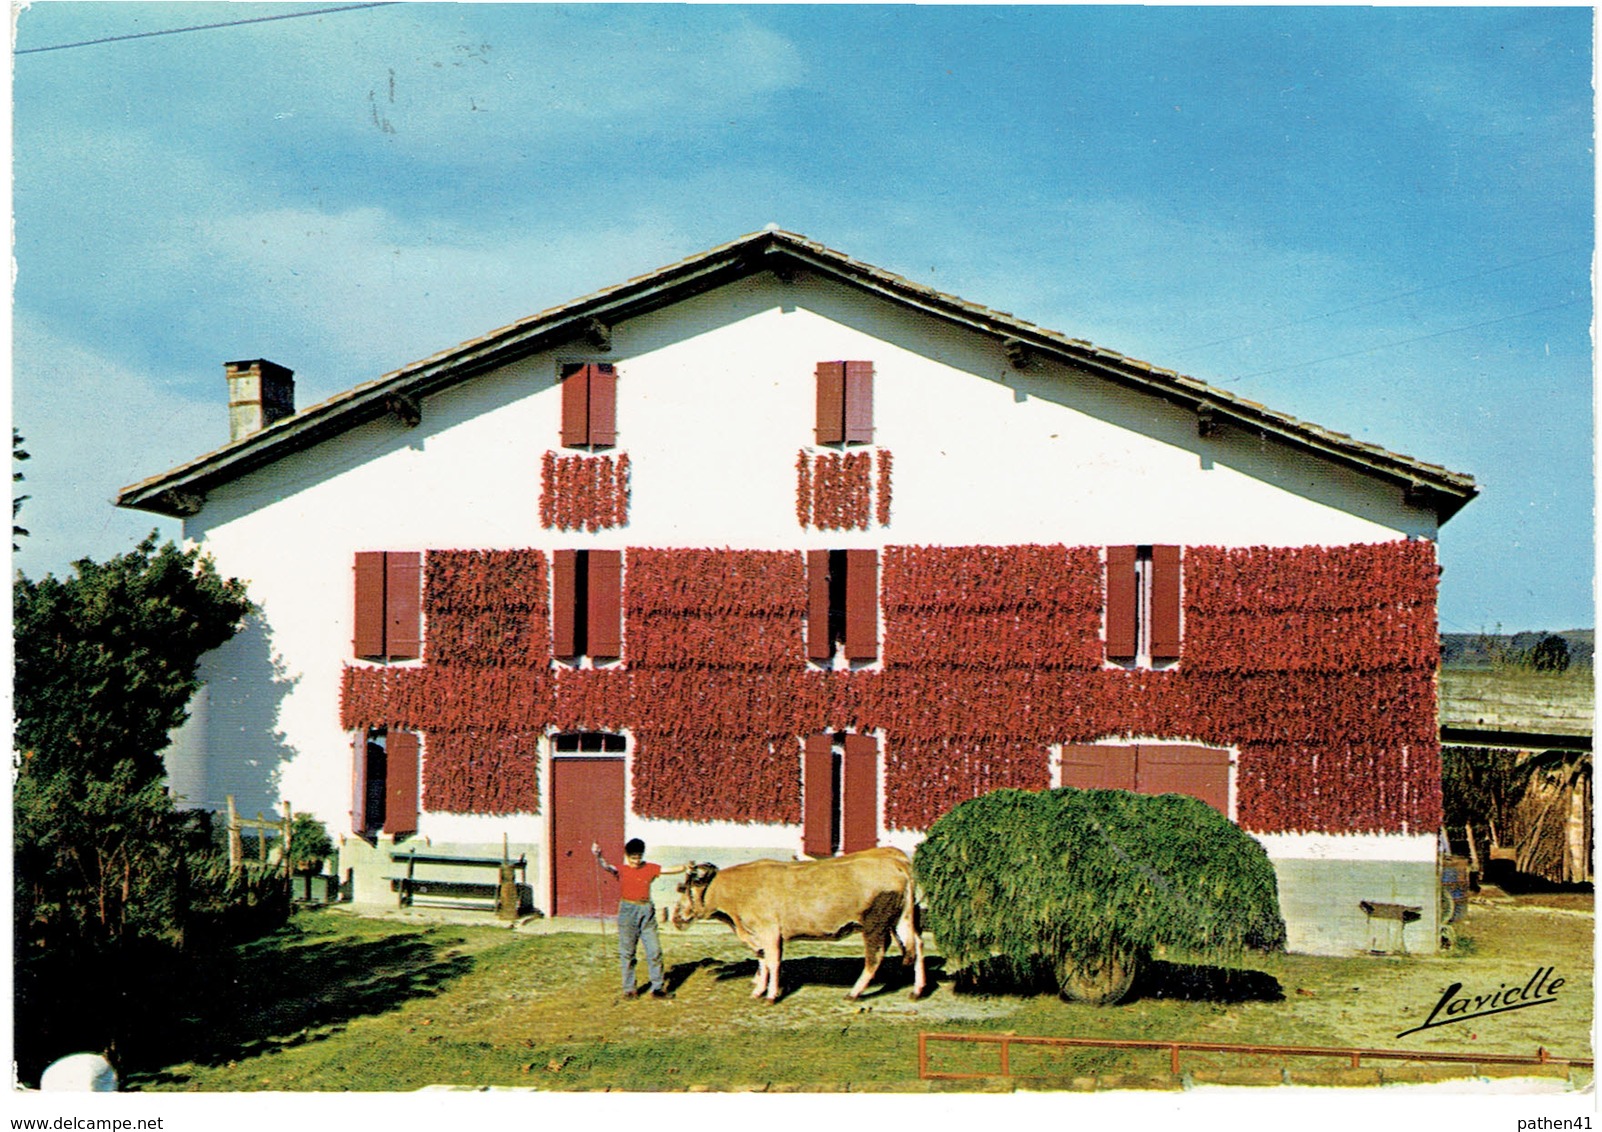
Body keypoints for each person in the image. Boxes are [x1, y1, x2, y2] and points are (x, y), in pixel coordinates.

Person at [591, 838, 688, 1000]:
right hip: (628, 911)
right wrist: (598, 855)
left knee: (654, 951)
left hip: (646, 911)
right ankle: (629, 989)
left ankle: (657, 988)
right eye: (633, 858)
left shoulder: (649, 868)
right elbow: (606, 867)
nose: (636, 861)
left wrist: (685, 867)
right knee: (627, 952)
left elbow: (667, 870)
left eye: (639, 857)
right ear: (627, 856)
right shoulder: (621, 869)